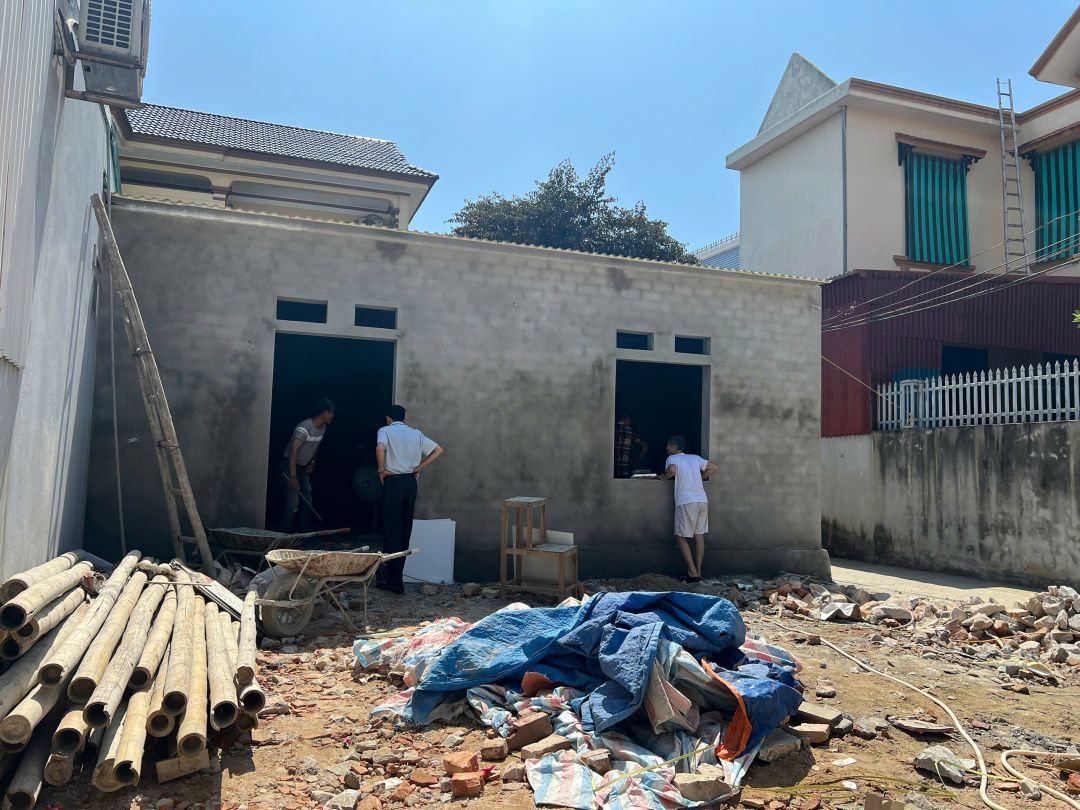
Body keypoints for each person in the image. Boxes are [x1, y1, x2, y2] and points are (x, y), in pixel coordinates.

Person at [375, 404, 445, 594]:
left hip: (393, 482)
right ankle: (397, 580)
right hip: (410, 483)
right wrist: (420, 467)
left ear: (388, 418)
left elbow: (380, 448)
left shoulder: (385, 431)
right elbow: (439, 450)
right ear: (403, 418)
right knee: (405, 530)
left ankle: (392, 581)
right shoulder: (416, 434)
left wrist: (381, 470)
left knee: (392, 530)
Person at [659, 434, 717, 582]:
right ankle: (698, 571)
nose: (666, 447)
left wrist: (664, 477)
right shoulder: (695, 458)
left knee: (680, 536)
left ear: (674, 446)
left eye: (668, 445)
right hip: (702, 500)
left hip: (686, 501)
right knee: (699, 536)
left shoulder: (672, 458)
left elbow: (672, 470)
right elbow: (712, 467)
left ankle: (692, 572)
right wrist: (699, 479)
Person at [279, 399, 335, 533]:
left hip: (302, 469)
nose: (333, 416)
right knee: (293, 503)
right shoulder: (304, 427)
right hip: (289, 466)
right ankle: (283, 535)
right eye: (331, 413)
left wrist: (312, 462)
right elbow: (293, 451)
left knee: (308, 501)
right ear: (324, 413)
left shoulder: (323, 428)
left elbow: (316, 445)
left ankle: (301, 534)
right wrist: (293, 477)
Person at [614, 413, 648, 478]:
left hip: (613, 470)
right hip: (626, 470)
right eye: (630, 420)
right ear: (627, 419)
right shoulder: (630, 432)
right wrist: (637, 462)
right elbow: (645, 447)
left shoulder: (613, 430)